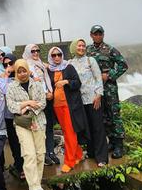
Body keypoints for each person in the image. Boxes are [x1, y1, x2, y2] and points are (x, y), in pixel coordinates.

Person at [6, 60, 47, 190]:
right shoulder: (11, 87)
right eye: (19, 71)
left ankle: (37, 182)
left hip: (39, 122)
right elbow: (11, 106)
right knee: (29, 155)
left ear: (28, 70)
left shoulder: (36, 84)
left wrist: (27, 107)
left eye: (24, 71)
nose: (22, 74)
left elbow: (42, 102)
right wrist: (28, 103)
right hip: (22, 125)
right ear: (15, 72)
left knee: (40, 153)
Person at [86, 25, 128, 159]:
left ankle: (119, 146)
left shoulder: (110, 49)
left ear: (103, 35)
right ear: (91, 35)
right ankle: (111, 142)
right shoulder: (88, 50)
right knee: (102, 116)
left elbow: (123, 65)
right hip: (95, 89)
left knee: (114, 114)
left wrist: (110, 75)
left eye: (100, 34)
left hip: (109, 88)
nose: (98, 36)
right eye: (95, 34)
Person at [69, 39, 107, 166]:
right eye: (79, 46)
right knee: (87, 128)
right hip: (79, 101)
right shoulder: (70, 63)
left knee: (98, 127)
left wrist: (99, 95)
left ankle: (101, 157)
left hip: (93, 99)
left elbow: (98, 78)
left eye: (83, 46)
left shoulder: (91, 61)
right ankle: (91, 152)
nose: (81, 48)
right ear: (74, 47)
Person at [46, 46, 85, 173]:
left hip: (69, 105)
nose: (57, 57)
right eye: (53, 55)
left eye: (59, 54)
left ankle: (69, 161)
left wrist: (66, 81)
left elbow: (77, 83)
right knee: (65, 131)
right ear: (50, 57)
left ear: (62, 55)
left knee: (69, 132)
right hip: (56, 106)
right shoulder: (49, 70)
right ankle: (78, 154)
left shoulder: (68, 67)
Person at [23, 44, 59, 166]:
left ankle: (51, 152)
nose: (36, 53)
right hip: (36, 101)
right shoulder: (26, 65)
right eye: (33, 51)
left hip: (48, 98)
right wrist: (44, 94)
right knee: (39, 127)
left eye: (37, 51)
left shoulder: (42, 64)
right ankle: (42, 155)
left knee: (49, 126)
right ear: (28, 52)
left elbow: (48, 76)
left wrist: (50, 91)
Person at [0, 56, 24, 180]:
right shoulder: (3, 78)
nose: (8, 66)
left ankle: (27, 166)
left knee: (24, 141)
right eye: (5, 64)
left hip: (23, 115)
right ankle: (19, 166)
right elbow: (4, 90)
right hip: (9, 116)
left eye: (11, 63)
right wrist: (6, 75)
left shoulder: (22, 74)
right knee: (14, 142)